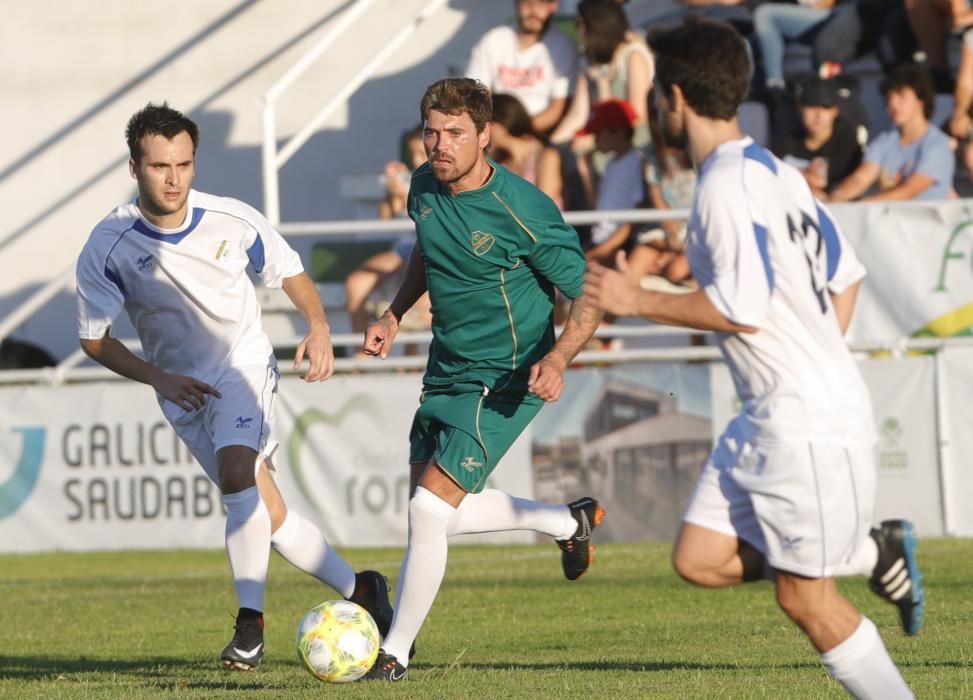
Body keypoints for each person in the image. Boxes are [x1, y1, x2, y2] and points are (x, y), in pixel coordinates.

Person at [582, 17, 924, 698]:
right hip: (772, 412)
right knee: (699, 558)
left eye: (656, 97)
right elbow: (844, 276)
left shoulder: (723, 187)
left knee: (806, 599)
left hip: (800, 420)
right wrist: (815, 349)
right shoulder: (774, 170)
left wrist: (635, 297)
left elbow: (739, 307)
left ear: (673, 98)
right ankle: (868, 550)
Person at [75, 103, 398, 671]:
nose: (174, 178)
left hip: (244, 364)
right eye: (159, 166)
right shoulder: (108, 244)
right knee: (270, 517)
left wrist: (318, 327)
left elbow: (291, 270)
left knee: (235, 473)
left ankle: (250, 625)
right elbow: (94, 339)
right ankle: (363, 589)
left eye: (184, 163)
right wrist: (159, 378)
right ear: (134, 168)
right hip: (180, 387)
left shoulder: (232, 219)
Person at [359, 78, 605, 682]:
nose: (439, 146)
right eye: (431, 132)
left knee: (425, 511)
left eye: (454, 134)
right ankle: (564, 522)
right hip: (448, 365)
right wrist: (393, 313)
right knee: (441, 511)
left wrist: (561, 357)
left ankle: (394, 654)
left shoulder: (523, 210)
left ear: (486, 136)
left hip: (507, 374)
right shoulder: (423, 185)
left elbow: (589, 294)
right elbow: (427, 249)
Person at [344, 125, 432, 349]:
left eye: (421, 152)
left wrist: (407, 196)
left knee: (417, 288)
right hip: (404, 249)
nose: (416, 159)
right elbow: (384, 219)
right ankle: (361, 353)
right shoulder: (409, 178)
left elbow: (430, 223)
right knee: (356, 283)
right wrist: (392, 195)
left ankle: (414, 359)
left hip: (430, 248)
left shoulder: (439, 182)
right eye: (412, 153)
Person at [830, 63, 954, 201]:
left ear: (921, 100)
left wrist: (857, 205)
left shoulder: (938, 144)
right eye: (889, 98)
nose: (892, 104)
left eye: (901, 96)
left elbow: (909, 190)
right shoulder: (884, 141)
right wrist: (836, 198)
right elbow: (861, 178)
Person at [550, 0, 654, 149]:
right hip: (602, 144)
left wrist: (594, 141)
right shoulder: (588, 60)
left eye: (581, 23)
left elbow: (639, 116)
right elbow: (578, 114)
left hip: (636, 148)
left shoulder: (632, 56)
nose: (578, 30)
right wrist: (551, 146)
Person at [466, 0, 578, 136]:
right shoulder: (492, 40)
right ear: (516, 3)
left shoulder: (564, 48)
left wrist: (518, 135)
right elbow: (477, 98)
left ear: (553, 6)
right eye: (528, 3)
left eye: (541, 4)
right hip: (493, 130)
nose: (534, 12)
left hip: (539, 134)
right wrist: (496, 132)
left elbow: (556, 109)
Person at [771, 75, 863, 198]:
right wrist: (808, 181)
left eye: (826, 107)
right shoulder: (785, 141)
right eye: (811, 106)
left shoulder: (848, 143)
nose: (818, 114)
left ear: (835, 110)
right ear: (800, 108)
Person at [579, 98, 647, 264]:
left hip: (617, 246)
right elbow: (598, 209)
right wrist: (588, 173)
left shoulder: (636, 162)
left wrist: (602, 251)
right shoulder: (611, 164)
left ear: (617, 131)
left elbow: (635, 216)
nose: (594, 140)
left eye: (598, 133)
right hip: (600, 242)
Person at [489, 92, 565, 206]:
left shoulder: (546, 156)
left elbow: (544, 206)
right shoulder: (495, 159)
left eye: (486, 124)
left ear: (502, 123)